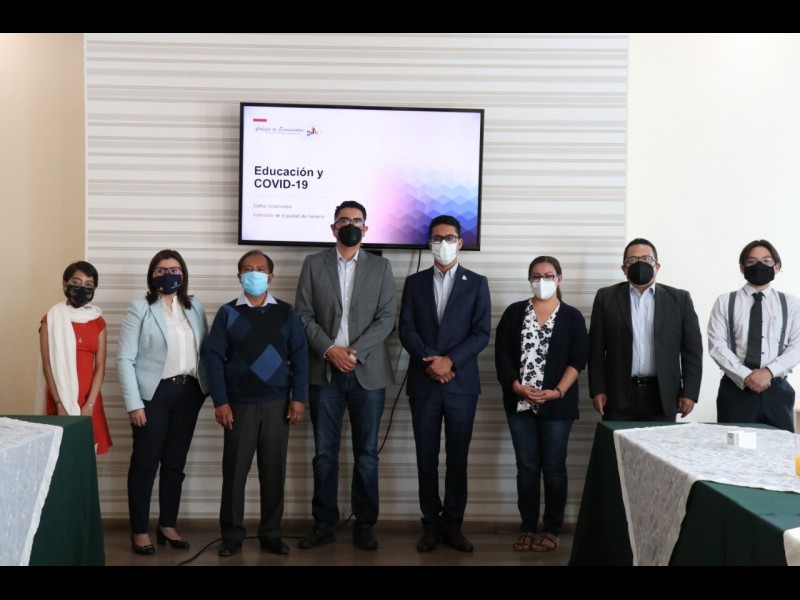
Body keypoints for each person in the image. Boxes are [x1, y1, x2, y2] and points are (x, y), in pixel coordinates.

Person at [294, 200, 396, 551]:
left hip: (368, 372)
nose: (350, 225)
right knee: (325, 453)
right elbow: (303, 315)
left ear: (366, 228)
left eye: (357, 220)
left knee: (367, 454)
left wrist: (353, 353)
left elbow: (387, 318)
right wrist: (330, 350)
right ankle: (324, 523)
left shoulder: (381, 267)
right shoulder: (313, 264)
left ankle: (364, 524)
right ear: (333, 227)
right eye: (344, 220)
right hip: (325, 371)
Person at [203, 250, 308, 557]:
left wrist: (298, 398)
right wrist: (220, 401)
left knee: (273, 472)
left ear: (270, 277)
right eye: (247, 269)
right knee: (234, 473)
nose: (254, 273)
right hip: (239, 406)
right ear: (239, 276)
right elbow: (212, 358)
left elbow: (300, 356)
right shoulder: (227, 313)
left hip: (278, 403)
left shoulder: (286, 313)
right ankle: (231, 535)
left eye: (260, 269)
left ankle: (271, 534)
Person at [398, 215, 491, 553]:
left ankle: (453, 526)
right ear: (429, 243)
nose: (443, 243)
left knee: (457, 459)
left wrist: (449, 361)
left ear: (460, 242)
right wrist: (432, 362)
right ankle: (430, 526)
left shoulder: (476, 283)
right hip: (424, 383)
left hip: (461, 385)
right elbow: (406, 328)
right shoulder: (414, 282)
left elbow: (481, 333)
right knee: (426, 458)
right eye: (437, 238)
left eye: (449, 238)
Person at [117, 249, 209, 555]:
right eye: (161, 270)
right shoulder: (140, 308)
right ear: (151, 275)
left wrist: (206, 390)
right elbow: (125, 358)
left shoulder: (195, 306)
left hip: (189, 393)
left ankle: (168, 525)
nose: (168, 275)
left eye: (174, 269)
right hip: (152, 396)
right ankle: (140, 531)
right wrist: (134, 404)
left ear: (183, 274)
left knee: (175, 464)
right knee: (145, 464)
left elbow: (205, 350)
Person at [495, 256, 588, 553]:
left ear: (559, 279)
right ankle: (527, 528)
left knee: (554, 467)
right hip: (519, 403)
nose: (542, 281)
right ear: (529, 279)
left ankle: (552, 529)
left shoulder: (572, 317)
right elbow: (502, 355)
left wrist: (558, 392)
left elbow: (578, 360)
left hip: (557, 405)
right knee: (526, 467)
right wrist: (516, 387)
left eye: (548, 275)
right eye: (536, 276)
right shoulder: (514, 313)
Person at [588, 238, 703, 421]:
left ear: (657, 266)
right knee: (617, 440)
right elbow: (596, 349)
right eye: (633, 260)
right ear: (624, 268)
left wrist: (689, 392)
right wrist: (598, 389)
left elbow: (692, 350)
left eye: (646, 259)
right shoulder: (606, 297)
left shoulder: (679, 299)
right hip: (618, 394)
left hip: (663, 394)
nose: (640, 264)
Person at [708, 240, 800, 432]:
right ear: (742, 267)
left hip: (776, 390)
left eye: (766, 261)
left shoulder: (791, 303)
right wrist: (746, 375)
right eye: (751, 262)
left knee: (779, 447)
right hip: (736, 390)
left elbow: (797, 345)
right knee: (733, 447)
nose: (759, 266)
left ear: (777, 266)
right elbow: (717, 345)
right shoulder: (725, 301)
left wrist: (768, 372)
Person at [39, 261, 112, 454]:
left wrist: (89, 405)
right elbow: (47, 366)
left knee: (88, 457)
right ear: (65, 284)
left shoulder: (98, 322)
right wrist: (59, 404)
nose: (82, 288)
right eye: (76, 283)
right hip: (59, 398)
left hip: (90, 399)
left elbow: (100, 367)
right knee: (61, 456)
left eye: (89, 285)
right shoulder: (51, 319)